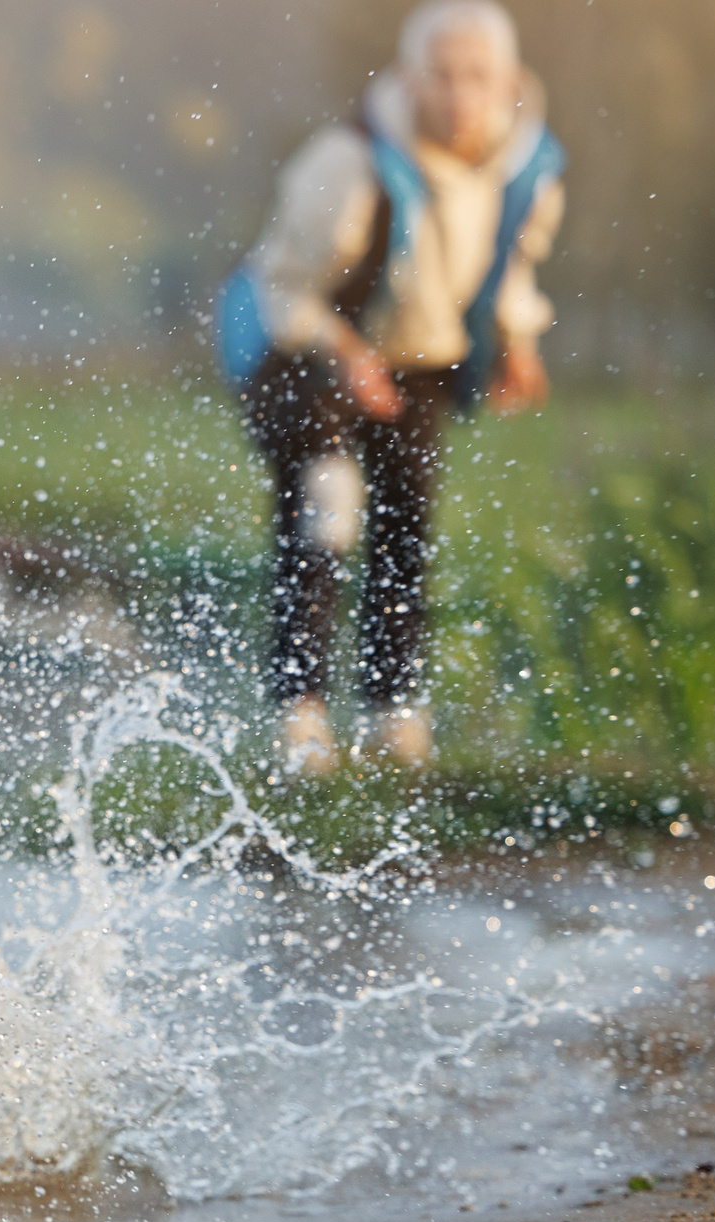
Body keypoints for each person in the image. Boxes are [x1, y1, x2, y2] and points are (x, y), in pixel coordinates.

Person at [215, 0, 564, 774]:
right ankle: (300, 716)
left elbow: (508, 263)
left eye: (478, 77)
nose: (459, 96)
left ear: (509, 82)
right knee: (326, 513)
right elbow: (279, 289)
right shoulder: (348, 166)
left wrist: (517, 341)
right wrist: (344, 352)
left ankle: (392, 715)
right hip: (311, 356)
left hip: (421, 364)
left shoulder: (525, 170)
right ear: (409, 78)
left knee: (406, 529)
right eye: (441, 76)